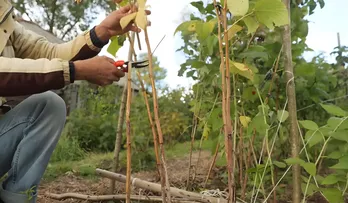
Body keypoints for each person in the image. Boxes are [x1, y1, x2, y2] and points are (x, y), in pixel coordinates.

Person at [0, 0, 150, 202]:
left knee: (49, 105)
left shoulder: (5, 19)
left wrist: (102, 31)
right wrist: (77, 71)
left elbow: (50, 53)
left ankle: (17, 197)